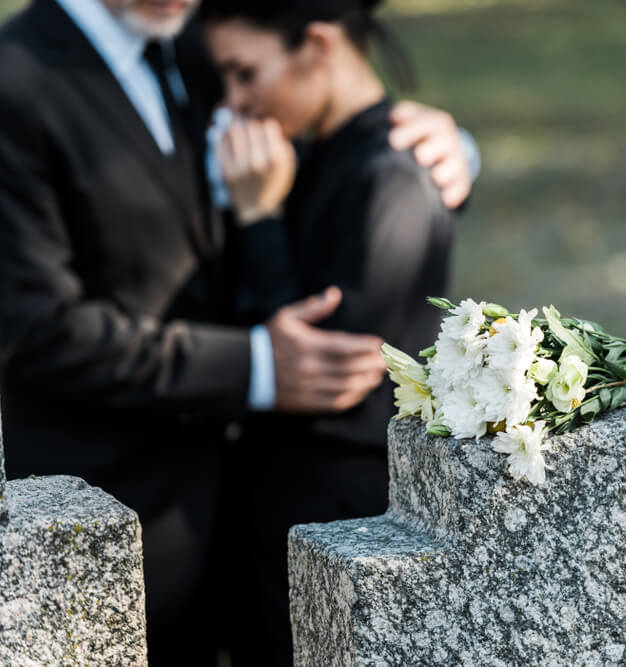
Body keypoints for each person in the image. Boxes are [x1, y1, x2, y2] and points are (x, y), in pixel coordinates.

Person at [0, 0, 476, 663]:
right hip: (100, 529)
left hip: (244, 524)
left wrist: (442, 150)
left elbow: (317, 128)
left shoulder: (205, 41)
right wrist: (255, 366)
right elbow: (35, 330)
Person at [198, 1, 453, 663]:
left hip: (339, 523)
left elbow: (321, 369)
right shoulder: (310, 155)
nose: (236, 101)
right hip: (283, 519)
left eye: (245, 73)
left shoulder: (390, 176)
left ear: (317, 44)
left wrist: (258, 220)